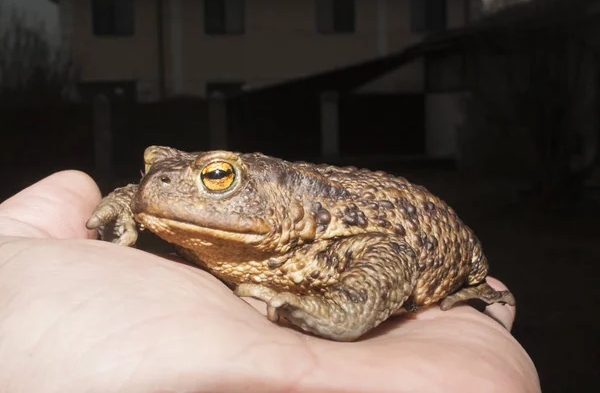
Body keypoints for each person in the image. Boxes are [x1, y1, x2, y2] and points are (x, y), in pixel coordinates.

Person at [0, 170, 540, 392]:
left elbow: (392, 252)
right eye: (151, 170)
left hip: (426, 235)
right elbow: (158, 185)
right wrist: (130, 201)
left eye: (214, 178)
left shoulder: (320, 231)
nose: (159, 181)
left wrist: (341, 310)